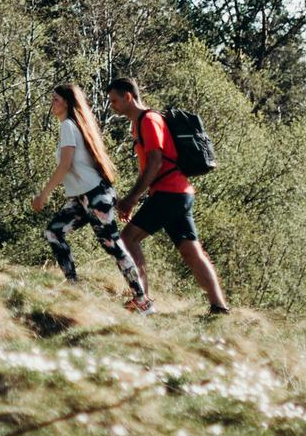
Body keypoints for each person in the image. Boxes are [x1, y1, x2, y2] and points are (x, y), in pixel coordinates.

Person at [105, 75, 231, 317]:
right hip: (179, 193)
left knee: (128, 238)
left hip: (170, 192)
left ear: (128, 97)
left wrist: (131, 198)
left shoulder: (149, 120)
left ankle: (141, 299)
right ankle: (219, 307)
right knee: (191, 251)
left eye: (114, 101)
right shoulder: (141, 122)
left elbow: (155, 162)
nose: (113, 106)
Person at [28, 83, 147, 306]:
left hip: (94, 196)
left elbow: (65, 165)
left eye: (55, 99)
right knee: (53, 232)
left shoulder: (68, 127)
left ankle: (142, 300)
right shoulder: (74, 126)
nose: (51, 103)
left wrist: (43, 195)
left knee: (112, 245)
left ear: (66, 102)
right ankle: (74, 288)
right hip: (85, 197)